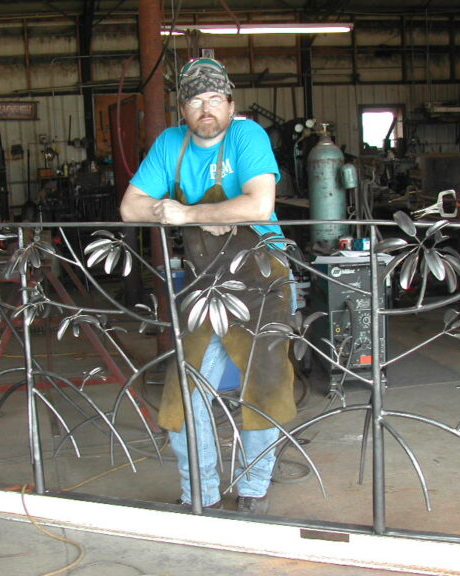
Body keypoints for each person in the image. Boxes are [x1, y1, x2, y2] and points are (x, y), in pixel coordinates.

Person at [120, 57, 296, 514]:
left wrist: (192, 213)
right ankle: (201, 490)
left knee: (265, 380)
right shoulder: (169, 144)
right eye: (195, 99)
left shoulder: (247, 136)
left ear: (230, 103)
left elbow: (258, 206)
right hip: (205, 283)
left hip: (261, 277)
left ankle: (255, 487)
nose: (206, 108)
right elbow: (130, 208)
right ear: (182, 109)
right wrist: (172, 210)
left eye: (215, 98)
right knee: (184, 387)